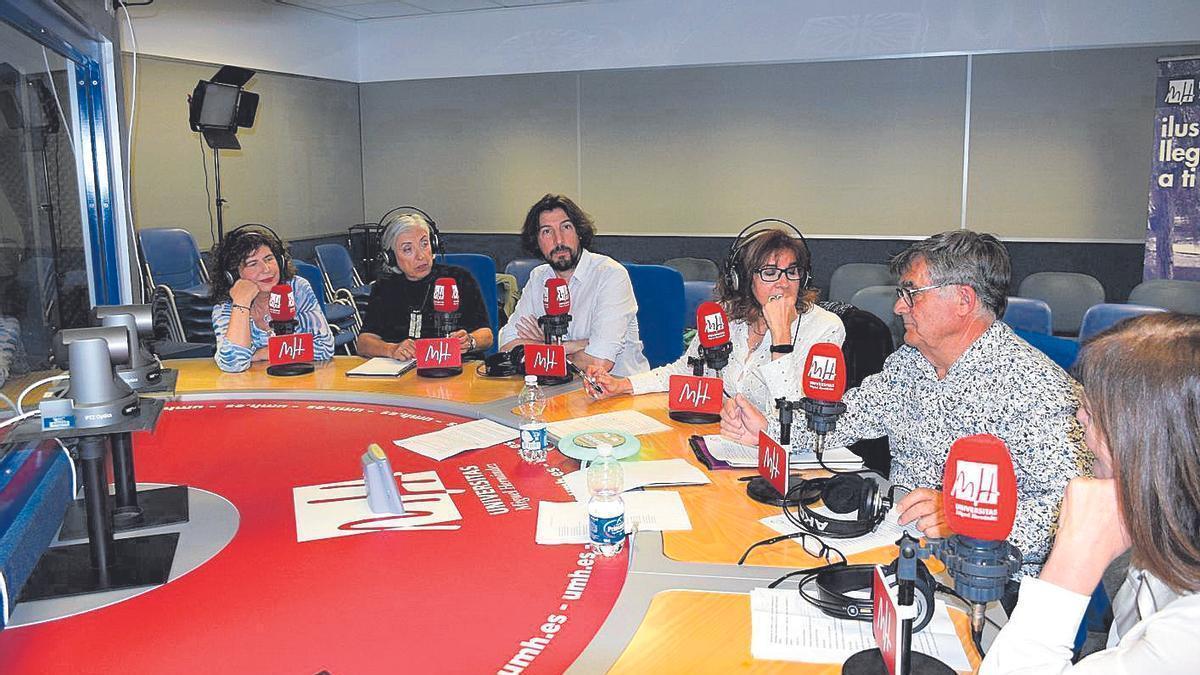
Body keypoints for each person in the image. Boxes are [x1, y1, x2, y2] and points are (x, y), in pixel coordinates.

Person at [720, 230, 1087, 588]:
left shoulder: (1037, 388)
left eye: (911, 293)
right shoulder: (911, 361)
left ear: (963, 300)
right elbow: (848, 418)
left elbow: (1073, 517)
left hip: (985, 584)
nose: (898, 307)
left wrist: (965, 517)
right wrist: (769, 427)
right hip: (897, 547)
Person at [981, 313, 1200, 674]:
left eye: (1095, 409)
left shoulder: (1189, 635)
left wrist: (1070, 564)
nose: (1079, 416)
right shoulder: (1168, 536)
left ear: (1151, 437)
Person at [586, 228, 845, 414]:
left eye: (793, 272)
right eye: (769, 272)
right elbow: (685, 370)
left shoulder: (825, 328)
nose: (784, 282)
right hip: (727, 441)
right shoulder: (729, 317)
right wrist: (624, 385)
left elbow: (794, 415)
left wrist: (781, 338)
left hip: (784, 459)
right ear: (742, 279)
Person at [497, 194, 649, 376]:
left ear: (579, 233)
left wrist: (547, 349)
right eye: (547, 231)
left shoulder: (610, 275)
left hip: (616, 392)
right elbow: (507, 345)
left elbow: (599, 363)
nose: (558, 240)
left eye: (566, 227)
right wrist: (577, 346)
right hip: (559, 389)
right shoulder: (539, 277)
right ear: (537, 241)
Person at [356, 211, 493, 359]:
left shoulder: (458, 279)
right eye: (408, 249)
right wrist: (391, 349)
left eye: (424, 244)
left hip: (458, 369)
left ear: (433, 245)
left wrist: (470, 341)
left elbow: (487, 335)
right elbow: (363, 343)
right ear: (390, 257)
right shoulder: (385, 287)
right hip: (404, 375)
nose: (421, 256)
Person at [210, 225, 334, 373]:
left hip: (300, 385)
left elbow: (325, 347)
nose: (266, 269)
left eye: (269, 259)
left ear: (280, 261)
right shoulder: (226, 308)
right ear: (233, 275)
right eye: (253, 264)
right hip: (253, 389)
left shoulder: (297, 289)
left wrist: (261, 353)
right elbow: (234, 364)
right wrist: (241, 303)